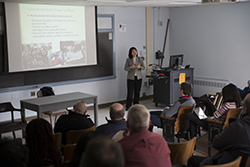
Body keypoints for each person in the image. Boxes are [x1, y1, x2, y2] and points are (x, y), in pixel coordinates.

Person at [188, 93, 250, 167]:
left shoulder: (239, 127)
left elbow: (216, 143)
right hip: (238, 161)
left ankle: (188, 136)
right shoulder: (238, 108)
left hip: (216, 125)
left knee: (191, 160)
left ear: (245, 109)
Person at [176, 83, 242, 140]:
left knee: (189, 115)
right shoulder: (239, 105)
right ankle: (191, 138)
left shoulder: (227, 105)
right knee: (193, 118)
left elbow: (216, 115)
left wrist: (206, 117)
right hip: (226, 126)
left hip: (215, 125)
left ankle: (187, 136)